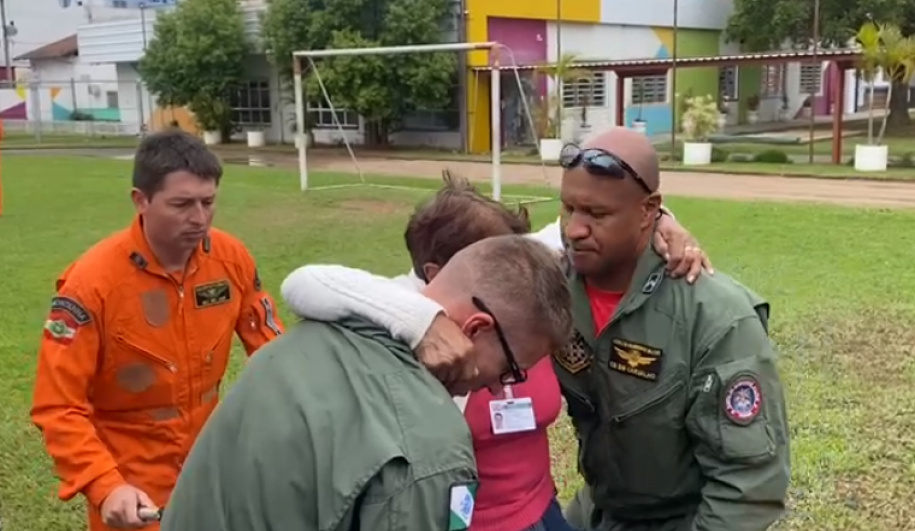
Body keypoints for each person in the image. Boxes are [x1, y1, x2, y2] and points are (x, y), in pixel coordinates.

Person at [282, 130, 791, 531]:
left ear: (647, 212)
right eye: (568, 208)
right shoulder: (544, 278)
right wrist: (423, 321)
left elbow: (749, 483)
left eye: (595, 213)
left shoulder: (716, 316)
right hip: (595, 513)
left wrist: (665, 222)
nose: (573, 227)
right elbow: (306, 282)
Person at [160, 234, 575, 531]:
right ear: (477, 328)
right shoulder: (431, 442)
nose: (501, 389)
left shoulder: (309, 338)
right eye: (510, 370)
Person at [30, 129, 285, 531]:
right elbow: (58, 407)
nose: (199, 218)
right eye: (181, 204)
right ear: (141, 201)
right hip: (132, 481)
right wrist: (106, 485)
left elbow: (275, 353)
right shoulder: (92, 285)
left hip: (211, 464)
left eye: (208, 202)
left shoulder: (230, 259)